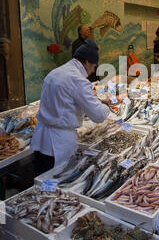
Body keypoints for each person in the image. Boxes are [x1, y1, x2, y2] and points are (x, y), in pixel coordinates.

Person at [30, 39, 110, 175]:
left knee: (41, 179)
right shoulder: (78, 80)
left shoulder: (55, 73)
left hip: (40, 138)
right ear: (86, 62)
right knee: (57, 182)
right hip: (59, 142)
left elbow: (64, 102)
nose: (92, 71)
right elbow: (98, 115)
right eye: (93, 66)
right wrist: (106, 105)